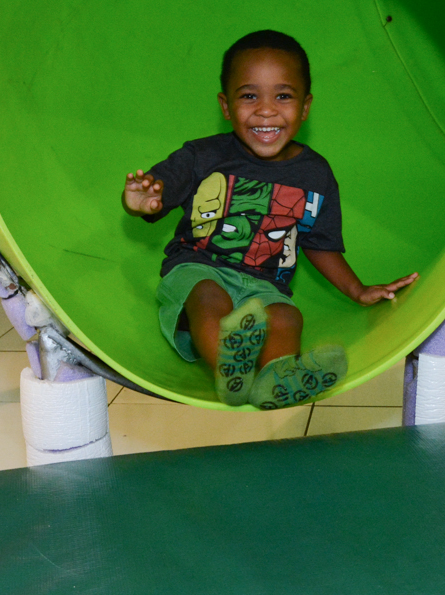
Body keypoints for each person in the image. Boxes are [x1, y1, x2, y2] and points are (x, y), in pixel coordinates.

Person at [122, 30, 417, 408]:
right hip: (199, 267)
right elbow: (158, 193)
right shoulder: (202, 156)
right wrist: (142, 201)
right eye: (249, 96)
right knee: (209, 298)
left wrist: (357, 290)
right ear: (225, 106)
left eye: (283, 96)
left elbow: (318, 243)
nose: (265, 110)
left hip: (266, 283)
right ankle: (229, 370)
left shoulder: (315, 174)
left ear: (305, 107)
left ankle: (277, 378)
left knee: (286, 317)